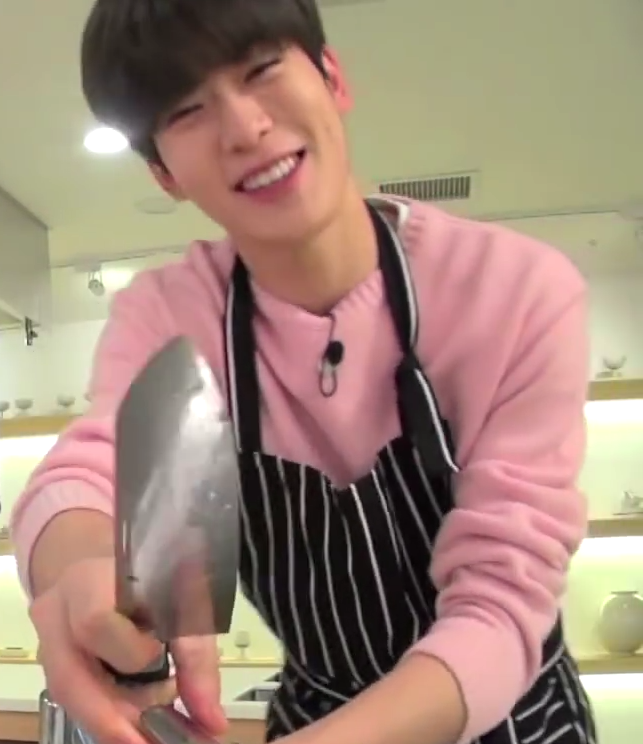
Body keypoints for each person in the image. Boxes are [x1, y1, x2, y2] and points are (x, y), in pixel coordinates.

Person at [10, 1, 597, 743]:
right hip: (316, 710)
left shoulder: (514, 290)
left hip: (520, 718)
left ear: (332, 77)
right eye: (187, 111)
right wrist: (78, 567)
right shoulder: (174, 316)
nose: (243, 128)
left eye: (261, 69)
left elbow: (501, 605)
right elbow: (91, 471)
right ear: (163, 173)